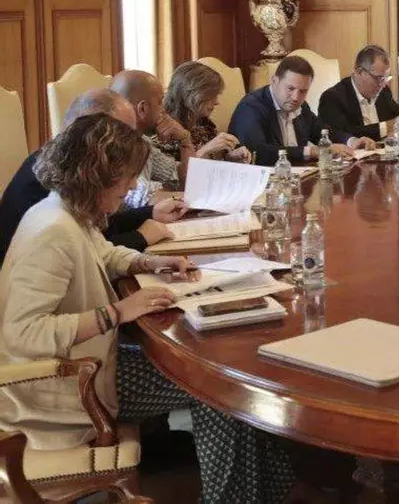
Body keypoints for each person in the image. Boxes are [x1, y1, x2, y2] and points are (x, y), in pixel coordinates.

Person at [0, 114, 295, 502]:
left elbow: (103, 253)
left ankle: (266, 490)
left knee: (225, 385)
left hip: (88, 362)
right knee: (219, 391)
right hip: (64, 387)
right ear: (98, 175)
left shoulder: (66, 211)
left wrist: (148, 262)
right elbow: (22, 334)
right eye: (127, 177)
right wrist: (118, 312)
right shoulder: (52, 232)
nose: (133, 187)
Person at [0, 90, 187, 261]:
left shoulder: (66, 163)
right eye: (121, 136)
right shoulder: (52, 183)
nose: (130, 144)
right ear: (92, 135)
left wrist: (150, 213)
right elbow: (84, 255)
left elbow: (95, 229)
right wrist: (139, 237)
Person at [229, 55, 373, 166]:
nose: (296, 97)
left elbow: (321, 130)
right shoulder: (251, 107)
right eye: (290, 88)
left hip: (298, 176)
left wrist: (351, 141)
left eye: (303, 91)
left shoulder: (301, 106)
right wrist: (313, 152)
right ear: (274, 81)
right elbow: (258, 152)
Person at [110, 70, 190, 207]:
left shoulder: (143, 142)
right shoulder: (113, 145)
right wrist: (206, 198)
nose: (164, 110)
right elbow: (148, 198)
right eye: (160, 102)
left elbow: (182, 179)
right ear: (142, 109)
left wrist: (185, 140)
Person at [319, 44, 399, 139]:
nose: (383, 84)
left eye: (385, 78)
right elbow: (344, 134)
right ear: (359, 72)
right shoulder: (332, 98)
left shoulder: (383, 92)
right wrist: (388, 127)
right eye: (378, 78)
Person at [157, 61, 251, 164]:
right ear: (193, 95)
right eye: (211, 96)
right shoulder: (164, 128)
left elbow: (211, 160)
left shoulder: (203, 122)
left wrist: (229, 157)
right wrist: (206, 150)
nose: (217, 102)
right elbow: (171, 171)